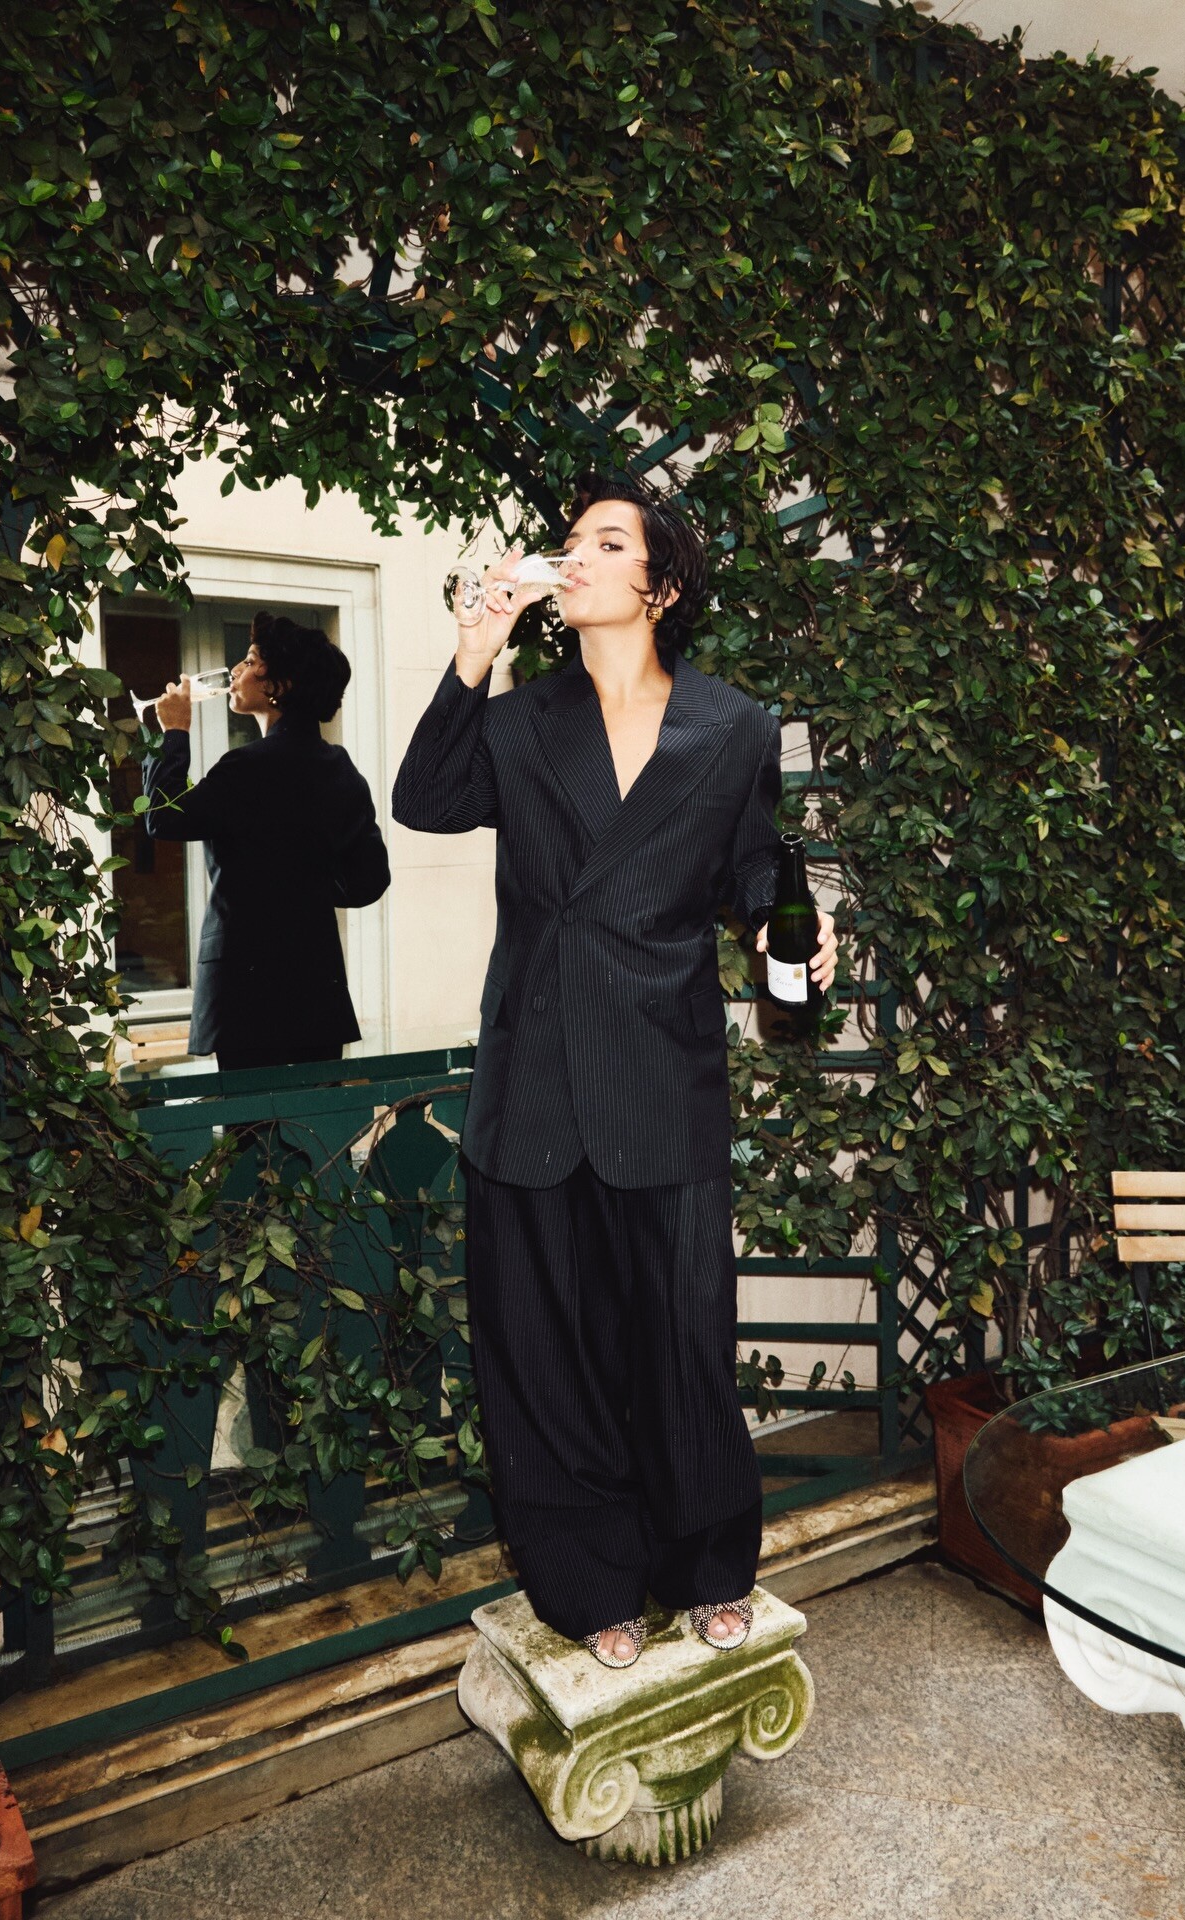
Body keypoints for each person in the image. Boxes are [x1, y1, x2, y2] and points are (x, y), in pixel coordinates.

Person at [391, 472, 837, 1667]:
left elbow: (756, 866)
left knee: (682, 1339)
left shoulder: (734, 726)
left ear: (662, 583)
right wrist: (475, 648)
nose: (574, 557)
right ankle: (590, 1586)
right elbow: (423, 801)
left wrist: (791, 925)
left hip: (661, 1074)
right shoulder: (521, 720)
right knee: (546, 1354)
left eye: (605, 541)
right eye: (569, 541)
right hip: (534, 1077)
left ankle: (709, 1565)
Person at [144, 612, 390, 1073]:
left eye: (251, 659)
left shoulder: (247, 767)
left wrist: (174, 733)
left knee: (251, 1118)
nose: (237, 670)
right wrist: (304, 890)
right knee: (316, 1117)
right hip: (316, 990)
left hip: (245, 993)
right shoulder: (340, 769)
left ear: (280, 684)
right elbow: (370, 880)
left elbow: (162, 816)